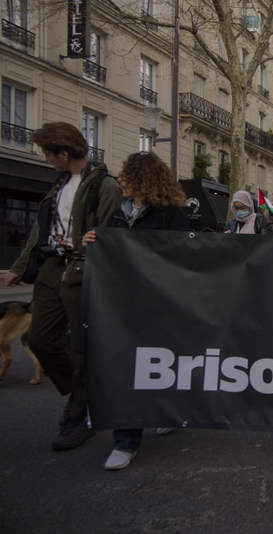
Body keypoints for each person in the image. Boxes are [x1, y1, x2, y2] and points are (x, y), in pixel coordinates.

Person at [2, 122, 122, 450]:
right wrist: (19, 267)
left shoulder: (104, 186)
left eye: (49, 154)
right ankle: (83, 392)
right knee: (40, 339)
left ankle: (78, 412)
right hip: (51, 268)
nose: (46, 159)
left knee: (82, 345)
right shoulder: (57, 185)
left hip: (82, 269)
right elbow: (39, 232)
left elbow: (113, 234)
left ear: (64, 153)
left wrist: (93, 250)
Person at [82, 151, 191, 470]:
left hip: (158, 304)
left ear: (143, 180)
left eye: (127, 176)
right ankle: (125, 441)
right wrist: (94, 241)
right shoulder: (121, 212)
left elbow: (186, 255)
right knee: (128, 366)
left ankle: (165, 411)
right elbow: (112, 248)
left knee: (156, 363)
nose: (120, 180)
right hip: (123, 304)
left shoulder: (171, 215)